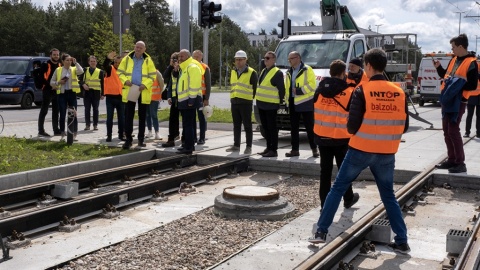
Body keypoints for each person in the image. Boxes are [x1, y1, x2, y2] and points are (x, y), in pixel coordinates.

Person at [308, 48, 411, 255]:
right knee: (388, 196)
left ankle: (321, 232)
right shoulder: (399, 92)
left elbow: (352, 127)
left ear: (370, 66)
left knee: (337, 188)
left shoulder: (362, 91)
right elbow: (405, 126)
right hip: (386, 152)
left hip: (360, 149)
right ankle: (401, 241)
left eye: (365, 65)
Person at [313, 59, 359, 210]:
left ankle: (324, 205)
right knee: (343, 171)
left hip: (321, 137)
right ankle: (348, 198)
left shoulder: (319, 90)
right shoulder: (349, 92)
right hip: (341, 138)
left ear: (331, 73)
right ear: (342, 74)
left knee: (324, 172)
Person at [434, 33, 478, 173]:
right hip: (448, 99)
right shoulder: (454, 60)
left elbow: (471, 85)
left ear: (460, 46)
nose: (451, 50)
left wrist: (455, 87)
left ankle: (460, 162)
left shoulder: (471, 62)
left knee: (453, 130)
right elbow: (446, 76)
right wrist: (438, 68)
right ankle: (452, 160)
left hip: (459, 101)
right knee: (447, 131)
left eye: (453, 47)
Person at [117, 41, 157, 149]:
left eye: (140, 48)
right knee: (128, 116)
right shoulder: (127, 59)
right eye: (137, 47)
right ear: (134, 47)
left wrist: (145, 84)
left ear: (144, 49)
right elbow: (119, 72)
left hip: (142, 90)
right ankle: (128, 140)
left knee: (142, 116)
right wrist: (125, 81)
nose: (138, 49)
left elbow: (153, 76)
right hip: (131, 89)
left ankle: (140, 139)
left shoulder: (148, 60)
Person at [285, 51, 318, 158]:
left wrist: (299, 91)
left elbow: (312, 85)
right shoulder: (289, 71)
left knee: (310, 127)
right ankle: (295, 150)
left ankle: (314, 149)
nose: (289, 61)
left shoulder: (307, 69)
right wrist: (286, 102)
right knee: (293, 128)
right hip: (293, 102)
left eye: (291, 58)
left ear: (298, 58)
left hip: (306, 103)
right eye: (288, 59)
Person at [226, 50, 258, 154]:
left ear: (245, 60)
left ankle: (248, 146)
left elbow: (255, 88)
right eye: (236, 60)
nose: (238, 62)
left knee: (247, 125)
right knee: (236, 125)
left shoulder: (252, 72)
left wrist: (248, 98)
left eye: (240, 60)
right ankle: (236, 145)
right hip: (234, 102)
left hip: (245, 102)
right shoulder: (233, 71)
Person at [256, 51, 285, 158]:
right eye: (264, 58)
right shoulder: (264, 70)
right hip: (261, 104)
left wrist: (281, 102)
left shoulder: (277, 73)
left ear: (274, 60)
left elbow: (282, 90)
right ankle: (268, 147)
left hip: (271, 105)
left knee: (272, 128)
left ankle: (274, 150)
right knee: (265, 127)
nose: (265, 60)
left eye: (268, 58)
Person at [50, 53, 84, 140]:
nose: (69, 62)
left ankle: (74, 133)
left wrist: (76, 62)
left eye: (70, 60)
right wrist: (58, 82)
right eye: (67, 60)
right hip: (62, 94)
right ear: (63, 61)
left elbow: (81, 71)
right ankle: (62, 133)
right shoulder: (58, 70)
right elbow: (52, 82)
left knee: (73, 113)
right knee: (62, 114)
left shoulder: (73, 69)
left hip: (72, 93)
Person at [176, 49, 203, 154]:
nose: (179, 59)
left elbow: (194, 84)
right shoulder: (185, 68)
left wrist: (191, 99)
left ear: (187, 57)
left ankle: (189, 147)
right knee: (187, 124)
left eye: (181, 56)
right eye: (179, 57)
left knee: (188, 125)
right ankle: (187, 145)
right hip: (184, 101)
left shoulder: (192, 67)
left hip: (189, 101)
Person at [38, 48, 61, 137]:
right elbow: (42, 78)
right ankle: (41, 130)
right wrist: (51, 85)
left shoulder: (59, 65)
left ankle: (56, 130)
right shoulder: (45, 64)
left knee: (56, 111)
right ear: (50, 55)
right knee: (44, 110)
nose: (56, 56)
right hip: (47, 90)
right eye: (54, 55)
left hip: (56, 90)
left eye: (57, 55)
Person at [103, 51, 125, 142]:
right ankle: (109, 136)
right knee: (109, 118)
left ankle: (121, 135)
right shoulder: (110, 69)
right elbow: (105, 65)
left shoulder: (124, 71)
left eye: (119, 63)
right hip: (110, 98)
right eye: (116, 62)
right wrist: (108, 58)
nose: (117, 64)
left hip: (120, 97)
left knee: (121, 118)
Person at [161, 52, 181, 148]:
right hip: (174, 99)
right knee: (172, 119)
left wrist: (178, 68)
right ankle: (171, 138)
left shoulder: (183, 68)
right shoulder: (172, 70)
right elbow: (167, 80)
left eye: (176, 60)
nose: (174, 62)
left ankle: (186, 139)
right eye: (173, 60)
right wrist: (170, 66)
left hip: (183, 98)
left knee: (186, 120)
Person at [192, 50, 211, 145]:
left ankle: (202, 138)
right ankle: (194, 137)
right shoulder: (190, 67)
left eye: (197, 57)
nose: (195, 58)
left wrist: (206, 98)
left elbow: (208, 84)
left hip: (202, 97)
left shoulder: (205, 67)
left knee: (201, 118)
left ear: (201, 58)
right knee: (192, 118)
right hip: (192, 96)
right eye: (194, 56)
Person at [80, 55, 104, 131]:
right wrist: (83, 84)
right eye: (91, 61)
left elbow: (103, 83)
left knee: (95, 109)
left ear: (96, 62)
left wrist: (103, 94)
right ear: (88, 62)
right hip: (87, 92)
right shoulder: (85, 70)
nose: (93, 63)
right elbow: (79, 80)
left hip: (96, 92)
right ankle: (87, 125)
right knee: (87, 109)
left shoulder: (100, 71)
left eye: (94, 61)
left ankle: (95, 125)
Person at [146, 70, 164, 140]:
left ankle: (157, 132)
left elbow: (161, 83)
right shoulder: (144, 72)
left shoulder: (156, 72)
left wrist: (160, 92)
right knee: (147, 115)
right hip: (146, 98)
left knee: (154, 115)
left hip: (154, 98)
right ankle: (150, 131)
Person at [463, 61, 480, 138]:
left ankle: (478, 132)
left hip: (477, 96)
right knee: (470, 115)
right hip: (471, 96)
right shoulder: (472, 73)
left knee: (478, 116)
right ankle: (467, 132)